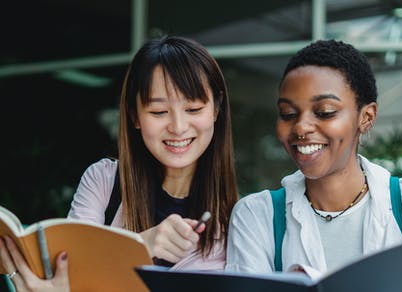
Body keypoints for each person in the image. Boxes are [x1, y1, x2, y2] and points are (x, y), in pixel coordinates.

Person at [1, 35, 238, 291]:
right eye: (159, 112)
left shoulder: (240, 220)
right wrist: (140, 245)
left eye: (193, 110)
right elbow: (69, 273)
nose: (178, 128)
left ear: (216, 109)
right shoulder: (103, 181)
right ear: (134, 115)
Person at [225, 39, 402, 275]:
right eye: (288, 113)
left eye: (325, 112)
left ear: (366, 117)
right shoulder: (257, 216)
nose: (301, 127)